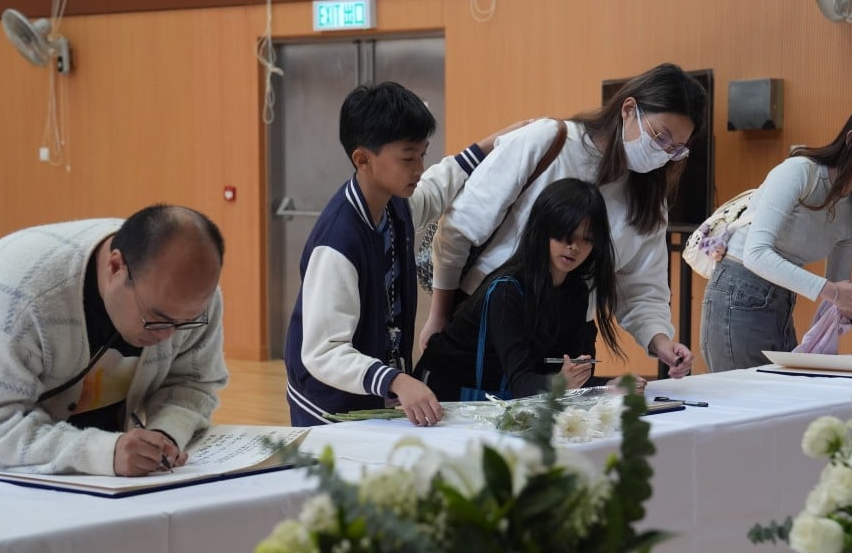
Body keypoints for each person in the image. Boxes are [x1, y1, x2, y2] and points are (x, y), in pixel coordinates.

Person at [421, 63, 707, 378]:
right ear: (629, 109)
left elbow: (642, 287)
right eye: (660, 137)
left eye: (676, 150)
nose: (663, 153)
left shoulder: (649, 199)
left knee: (561, 409)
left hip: (568, 336)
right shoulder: (549, 141)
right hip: (492, 318)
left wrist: (660, 340)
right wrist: (439, 314)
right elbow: (460, 229)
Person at [284, 81, 515, 427]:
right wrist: (396, 380)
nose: (419, 167)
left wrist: (491, 146)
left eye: (423, 154)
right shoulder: (338, 241)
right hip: (330, 410)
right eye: (408, 158)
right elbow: (323, 352)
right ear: (362, 159)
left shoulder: (394, 205)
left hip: (376, 397)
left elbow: (436, 188)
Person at [0, 204, 228, 477]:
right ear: (115, 267)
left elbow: (192, 383)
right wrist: (102, 452)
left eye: (187, 321)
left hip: (99, 479)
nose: (168, 334)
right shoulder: (17, 302)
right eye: (157, 317)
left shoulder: (190, 295)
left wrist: (163, 437)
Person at [699, 97, 852, 372]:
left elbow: (837, 292)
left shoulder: (850, 216)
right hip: (738, 293)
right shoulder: (800, 172)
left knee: (781, 396)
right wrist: (834, 292)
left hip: (780, 305)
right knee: (753, 397)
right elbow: (755, 254)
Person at [414, 178, 629, 399]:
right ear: (542, 230)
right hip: (442, 394)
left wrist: (611, 385)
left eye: (587, 239)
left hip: (496, 399)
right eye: (564, 234)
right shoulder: (507, 290)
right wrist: (562, 381)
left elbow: (567, 376)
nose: (574, 246)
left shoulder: (577, 291)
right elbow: (521, 384)